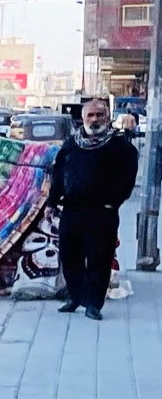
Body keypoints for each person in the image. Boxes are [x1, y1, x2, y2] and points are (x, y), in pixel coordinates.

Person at [51, 96, 138, 320]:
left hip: (102, 211)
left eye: (99, 115)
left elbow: (128, 177)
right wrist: (52, 201)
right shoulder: (72, 143)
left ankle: (93, 303)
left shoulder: (119, 146)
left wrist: (114, 202)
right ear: (83, 119)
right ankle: (76, 296)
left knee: (99, 257)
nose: (95, 119)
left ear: (107, 118)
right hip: (72, 209)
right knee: (70, 255)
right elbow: (59, 172)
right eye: (90, 115)